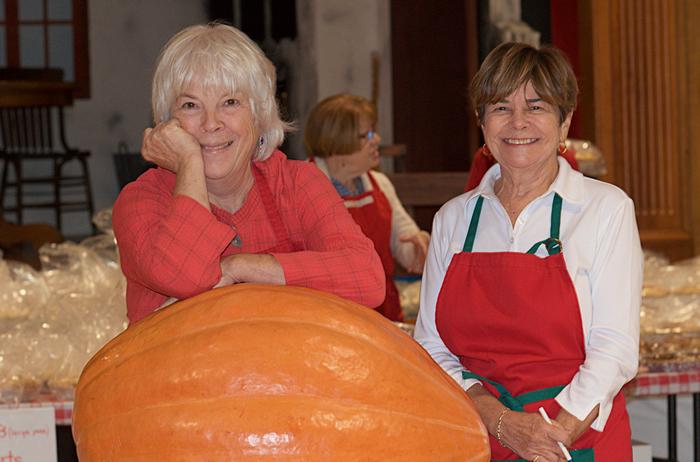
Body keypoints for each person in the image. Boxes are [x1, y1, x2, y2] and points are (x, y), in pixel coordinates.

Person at [414, 42, 642, 462]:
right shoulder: (453, 220)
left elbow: (615, 349)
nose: (518, 122)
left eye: (536, 106)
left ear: (565, 121)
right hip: (477, 437)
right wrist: (499, 421)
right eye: (501, 107)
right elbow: (430, 345)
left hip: (575, 442)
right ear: (482, 123)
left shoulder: (605, 209)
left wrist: (550, 435)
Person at [112, 24, 385, 324]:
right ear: (167, 123)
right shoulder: (140, 201)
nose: (211, 123)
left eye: (230, 102)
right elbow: (186, 277)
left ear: (259, 115)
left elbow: (367, 279)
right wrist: (190, 163)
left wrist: (238, 267)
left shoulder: (297, 183)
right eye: (190, 105)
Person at [304, 94, 429, 322]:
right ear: (338, 140)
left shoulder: (380, 184)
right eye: (367, 134)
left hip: (384, 312)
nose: (377, 139)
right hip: (328, 316)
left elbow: (406, 246)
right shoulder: (302, 185)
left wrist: (422, 246)